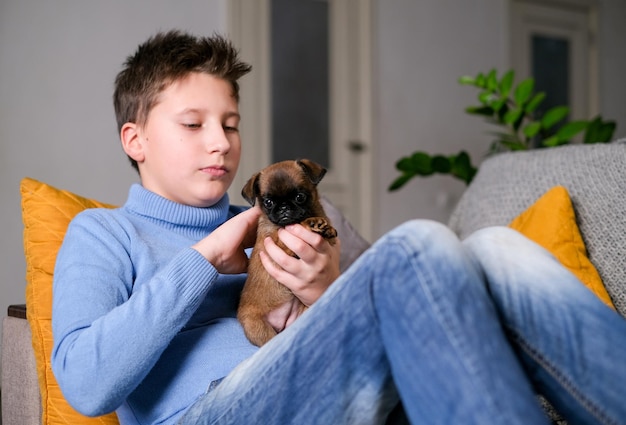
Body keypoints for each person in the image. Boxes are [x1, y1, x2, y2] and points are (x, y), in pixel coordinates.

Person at [51, 30, 626, 425]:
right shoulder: (103, 233)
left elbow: (341, 344)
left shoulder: (276, 224)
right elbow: (84, 384)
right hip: (210, 410)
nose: (221, 142)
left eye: (230, 123)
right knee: (418, 245)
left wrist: (323, 290)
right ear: (136, 140)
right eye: (193, 124)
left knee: (496, 249)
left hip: (309, 385)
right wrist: (201, 261)